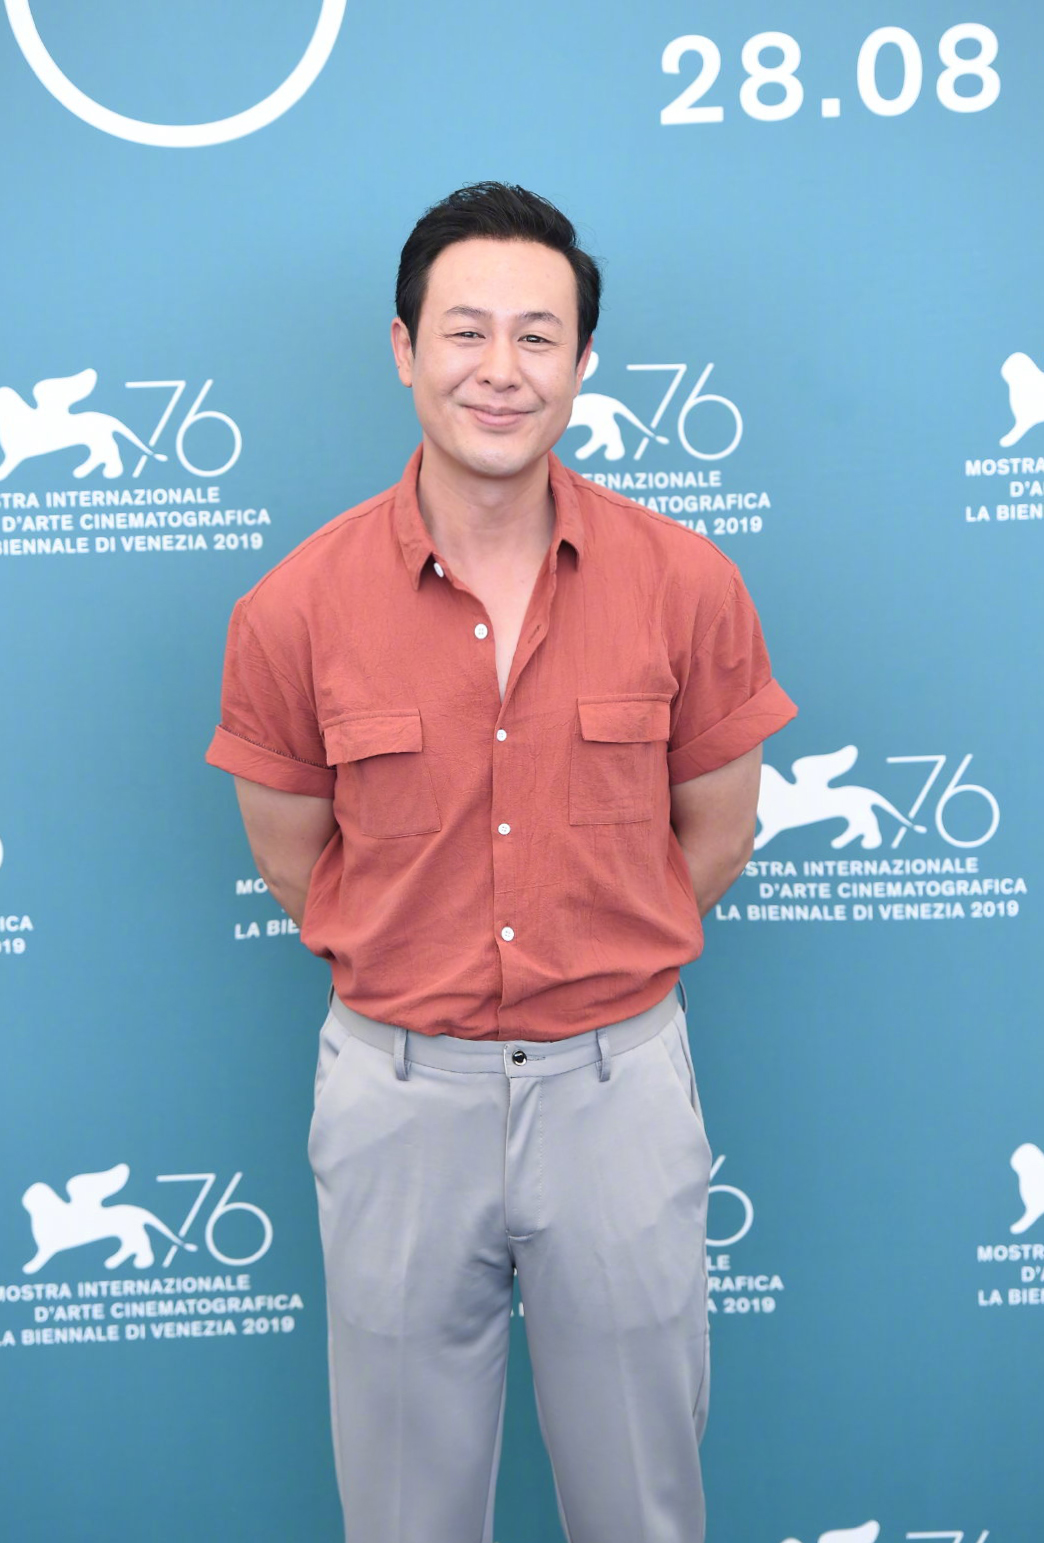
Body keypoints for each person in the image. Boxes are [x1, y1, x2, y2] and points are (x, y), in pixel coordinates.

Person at [205, 181, 797, 1543]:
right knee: (403, 1514)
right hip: (399, 1101)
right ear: (403, 348)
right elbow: (295, 863)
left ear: (582, 363)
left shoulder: (686, 584)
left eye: (538, 336)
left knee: (643, 1506)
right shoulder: (294, 608)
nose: (501, 369)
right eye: (465, 331)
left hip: (617, 1095)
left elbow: (716, 833)